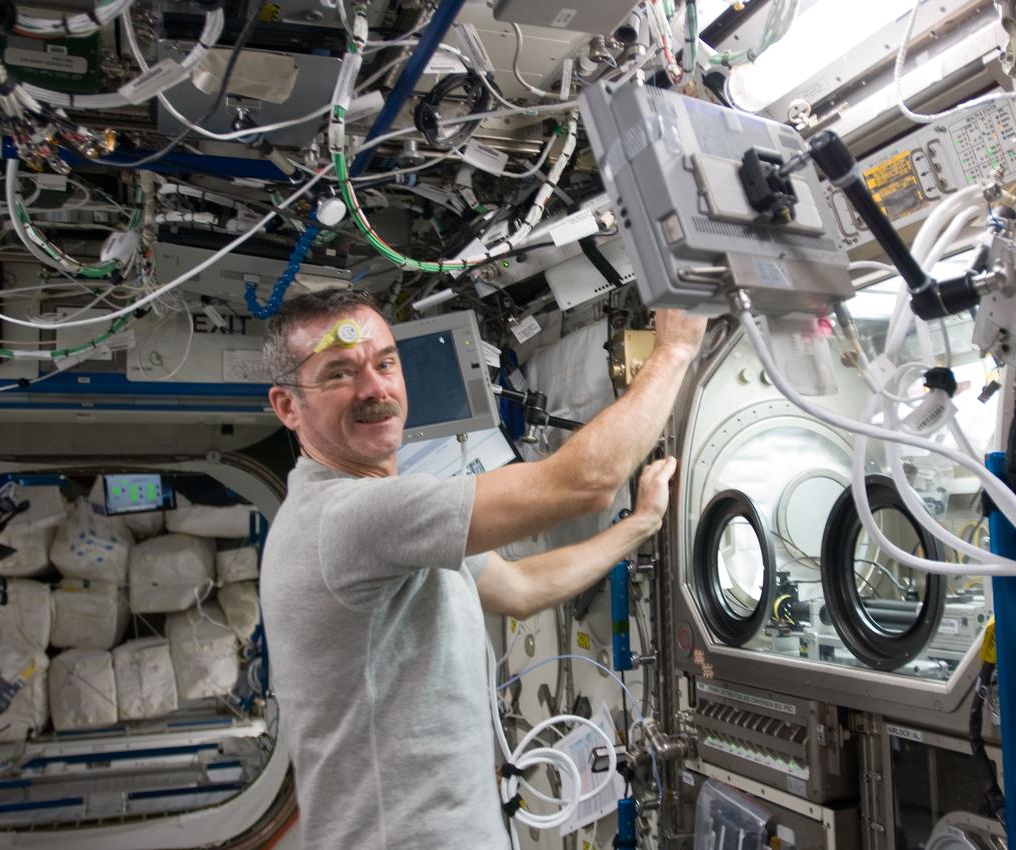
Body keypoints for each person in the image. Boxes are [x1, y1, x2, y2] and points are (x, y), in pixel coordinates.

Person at [259, 289, 707, 849]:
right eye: (338, 374)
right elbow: (584, 482)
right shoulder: (350, 516)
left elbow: (520, 588)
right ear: (288, 407)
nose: (374, 389)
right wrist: (674, 351)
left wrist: (639, 525)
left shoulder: (382, 522)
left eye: (385, 363)